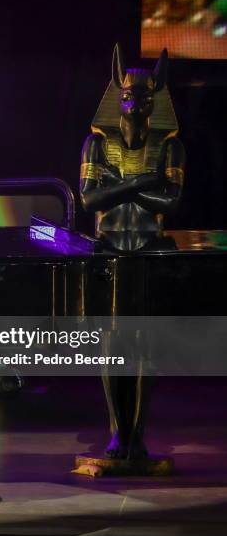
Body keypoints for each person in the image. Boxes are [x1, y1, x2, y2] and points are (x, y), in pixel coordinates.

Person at [80, 44, 185, 461]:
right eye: (128, 95)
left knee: (145, 346)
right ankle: (115, 432)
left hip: (149, 250)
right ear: (118, 97)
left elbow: (172, 204)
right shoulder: (97, 144)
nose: (134, 103)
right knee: (111, 345)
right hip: (108, 252)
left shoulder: (170, 147)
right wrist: (144, 182)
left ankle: (135, 435)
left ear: (154, 102)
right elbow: (88, 202)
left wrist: (118, 184)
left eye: (143, 97)